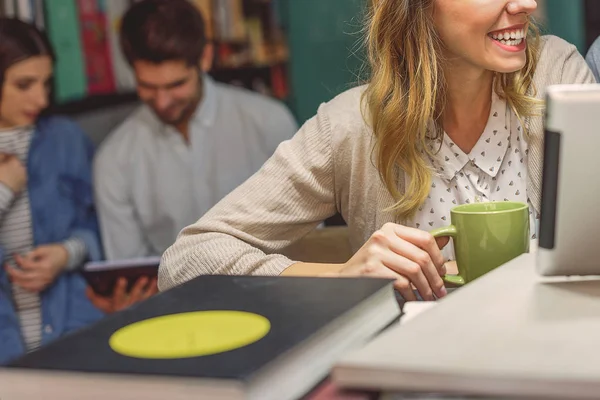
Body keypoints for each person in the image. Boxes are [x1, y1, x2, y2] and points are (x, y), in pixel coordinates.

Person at [158, 0, 596, 301]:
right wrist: (345, 277)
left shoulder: (557, 73)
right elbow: (187, 260)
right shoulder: (351, 126)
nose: (525, 4)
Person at [88, 0, 297, 312]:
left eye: (176, 84)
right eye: (147, 86)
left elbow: (305, 237)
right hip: (174, 315)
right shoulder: (114, 159)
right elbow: (128, 266)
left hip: (275, 299)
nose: (162, 101)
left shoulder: (268, 122)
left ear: (205, 57)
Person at [0, 18, 104, 364]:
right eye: (24, 85)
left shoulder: (65, 139)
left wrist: (67, 253)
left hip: (72, 330)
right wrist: (3, 189)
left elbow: (102, 228)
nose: (41, 99)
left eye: (46, 83)